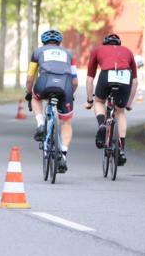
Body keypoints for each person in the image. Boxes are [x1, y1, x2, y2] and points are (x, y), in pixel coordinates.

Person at [26, 29, 78, 172]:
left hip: (45, 82)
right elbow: (75, 82)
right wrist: (69, 95)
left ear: (43, 42)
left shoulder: (38, 52)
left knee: (35, 98)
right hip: (65, 86)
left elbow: (30, 77)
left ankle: (41, 124)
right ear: (59, 42)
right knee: (66, 122)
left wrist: (28, 92)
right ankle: (63, 155)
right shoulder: (68, 54)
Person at [85, 33, 138, 166]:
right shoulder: (128, 51)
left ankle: (102, 124)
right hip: (125, 76)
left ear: (105, 43)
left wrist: (89, 100)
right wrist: (129, 104)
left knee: (99, 101)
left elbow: (89, 79)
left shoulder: (98, 50)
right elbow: (135, 81)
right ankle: (121, 148)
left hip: (107, 74)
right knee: (120, 112)